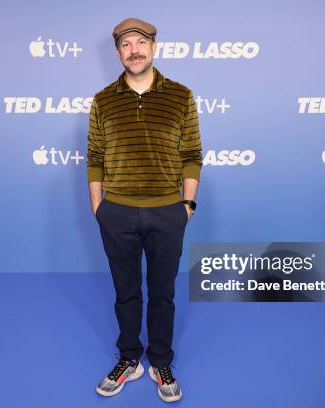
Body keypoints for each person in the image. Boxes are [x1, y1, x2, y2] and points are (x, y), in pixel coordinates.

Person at [87, 17, 202, 403]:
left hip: (167, 211)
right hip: (116, 212)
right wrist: (98, 206)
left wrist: (187, 204)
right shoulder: (102, 100)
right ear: (118, 52)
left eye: (141, 42)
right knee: (125, 291)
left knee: (163, 292)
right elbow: (95, 158)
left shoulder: (182, 96)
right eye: (125, 44)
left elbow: (191, 156)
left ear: (154, 47)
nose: (133, 50)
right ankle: (129, 358)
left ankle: (160, 360)